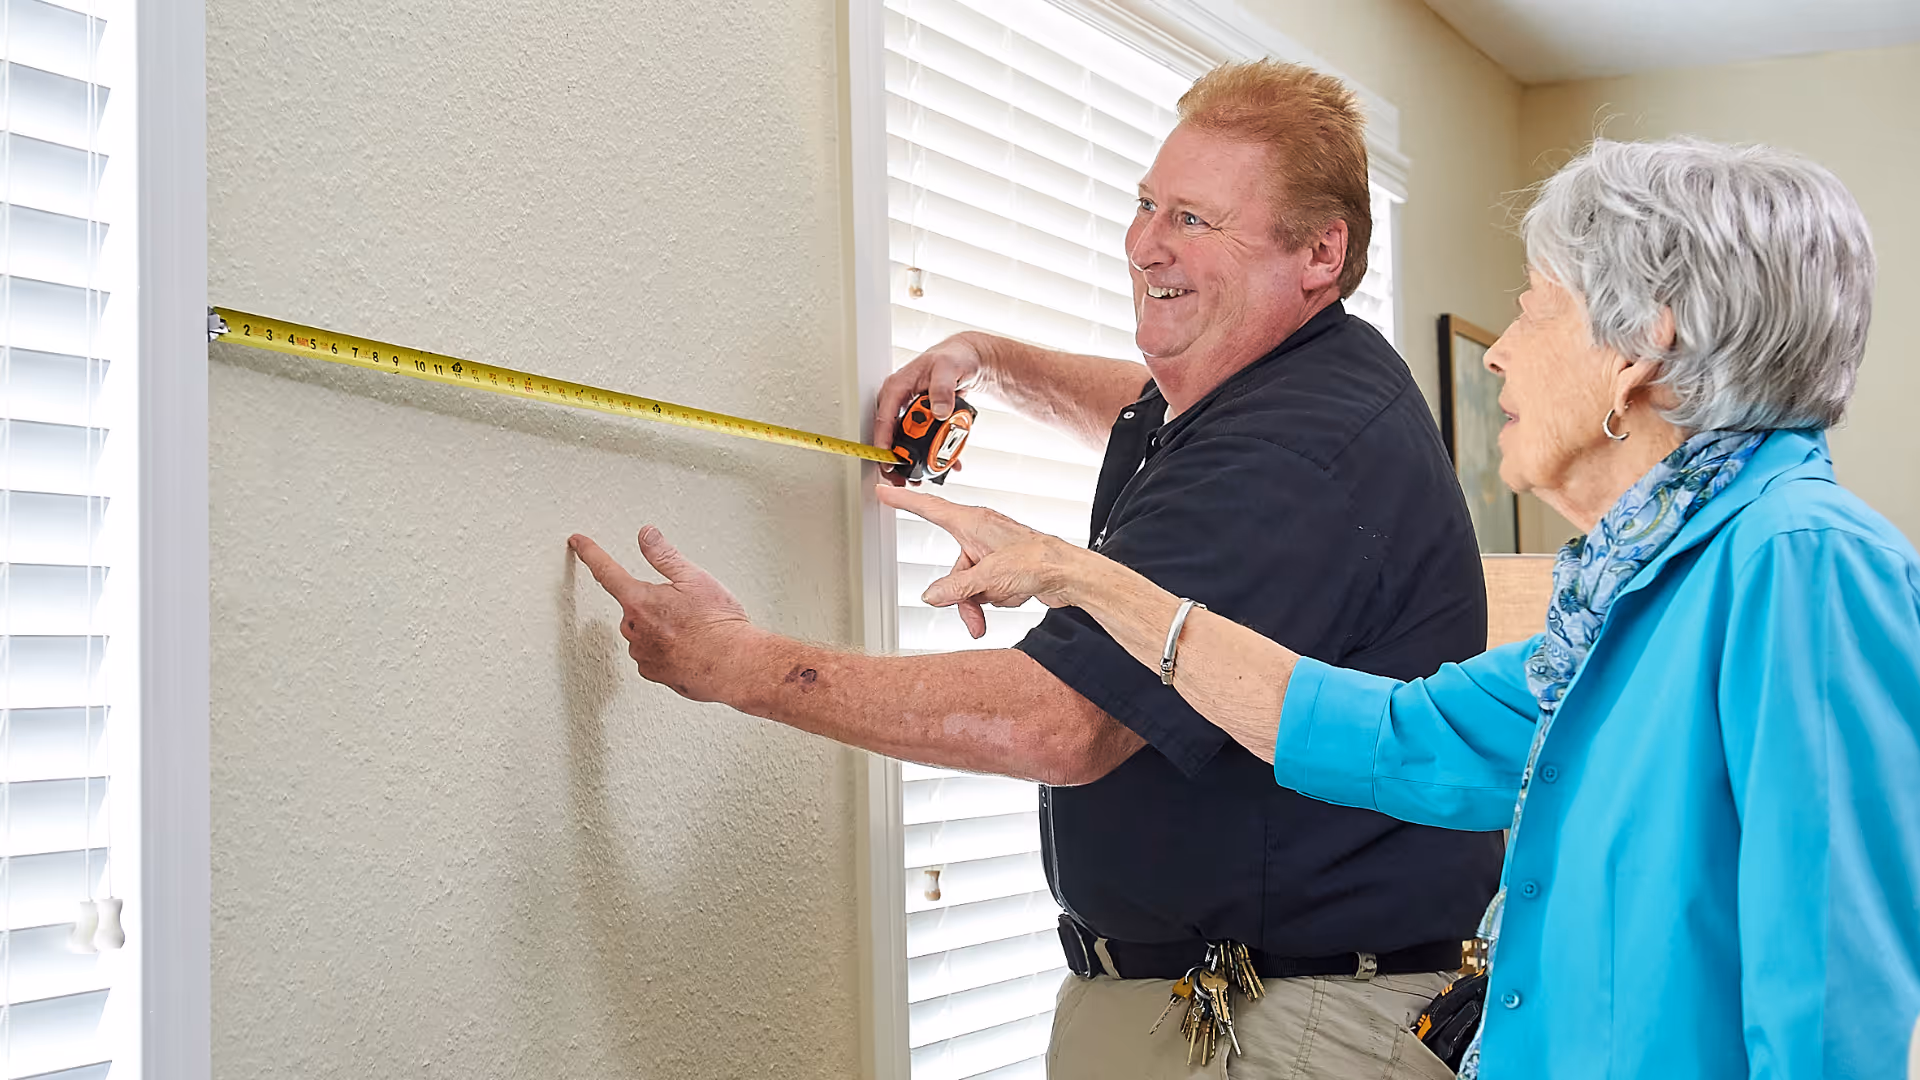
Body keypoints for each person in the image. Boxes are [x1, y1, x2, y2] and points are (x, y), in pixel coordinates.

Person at [879, 137, 1920, 1080]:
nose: (1501, 350)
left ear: (1643, 345)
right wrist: (1079, 576)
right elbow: (1388, 736)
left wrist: (733, 661)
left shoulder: (1801, 563)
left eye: (1535, 306)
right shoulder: (1631, 595)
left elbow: (1829, 1000)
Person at [571, 61, 1500, 1077]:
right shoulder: (1293, 379)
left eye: (1194, 218)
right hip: (1230, 999)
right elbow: (1145, 403)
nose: (1147, 241)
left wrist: (739, 665)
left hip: (1285, 1021)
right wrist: (988, 359)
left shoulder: (1291, 456)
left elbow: (1057, 723)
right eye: (1147, 203)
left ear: (1321, 253)